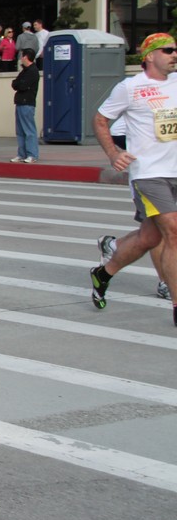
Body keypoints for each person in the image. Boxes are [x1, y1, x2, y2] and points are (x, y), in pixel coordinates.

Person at [89, 32, 177, 325]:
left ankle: (104, 272)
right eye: (168, 50)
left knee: (150, 237)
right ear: (149, 56)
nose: (174, 55)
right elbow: (100, 120)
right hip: (149, 173)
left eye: (175, 50)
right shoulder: (130, 88)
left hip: (175, 170)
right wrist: (112, 153)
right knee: (173, 231)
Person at [10, 48, 40, 164]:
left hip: (27, 103)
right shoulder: (25, 71)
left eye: (22, 56)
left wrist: (18, 84)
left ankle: (32, 154)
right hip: (20, 102)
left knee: (29, 130)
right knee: (20, 131)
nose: (21, 58)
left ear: (26, 57)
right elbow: (15, 83)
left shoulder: (33, 71)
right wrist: (18, 83)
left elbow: (22, 85)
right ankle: (21, 154)